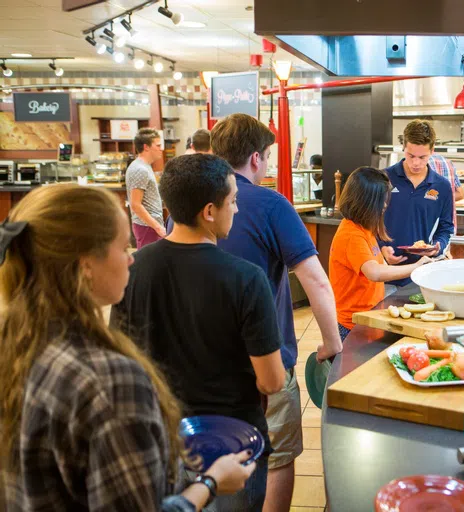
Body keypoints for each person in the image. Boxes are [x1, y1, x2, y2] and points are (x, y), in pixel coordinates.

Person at [0, 184, 256, 511]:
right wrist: (210, 482)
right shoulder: (109, 382)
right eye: (123, 248)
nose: (132, 259)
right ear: (86, 264)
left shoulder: (16, 341)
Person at [111, 154, 286, 511]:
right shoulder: (247, 278)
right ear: (209, 211)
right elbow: (271, 382)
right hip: (233, 442)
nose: (236, 210)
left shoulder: (134, 267)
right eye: (233, 201)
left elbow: (120, 357)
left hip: (159, 436)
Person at [207, 114, 343, 512]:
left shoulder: (189, 205)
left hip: (205, 361)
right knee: (278, 453)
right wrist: (332, 344)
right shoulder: (271, 204)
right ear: (255, 157)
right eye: (266, 157)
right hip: (264, 360)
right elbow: (315, 281)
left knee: (216, 456)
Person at [330, 167, 431, 340]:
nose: (384, 206)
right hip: (352, 324)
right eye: (380, 202)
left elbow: (375, 265)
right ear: (364, 202)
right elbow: (374, 273)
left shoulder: (364, 229)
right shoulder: (351, 234)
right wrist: (417, 266)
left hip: (368, 315)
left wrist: (386, 257)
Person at [382, 120, 454, 286]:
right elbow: (369, 222)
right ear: (403, 149)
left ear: (432, 151)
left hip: (422, 273)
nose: (416, 163)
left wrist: (438, 246)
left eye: (422, 157)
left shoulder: (442, 186)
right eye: (410, 156)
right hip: (384, 272)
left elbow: (446, 228)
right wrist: (381, 249)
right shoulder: (384, 178)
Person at [126, 127, 166, 248]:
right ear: (146, 147)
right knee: (148, 264)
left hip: (150, 224)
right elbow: (136, 204)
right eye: (158, 146)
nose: (161, 149)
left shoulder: (144, 166)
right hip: (147, 226)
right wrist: (157, 226)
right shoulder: (140, 169)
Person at [428, 152, 463, 232]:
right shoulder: (448, 162)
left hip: (427, 228)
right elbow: (460, 193)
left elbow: (429, 197)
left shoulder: (419, 164)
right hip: (447, 226)